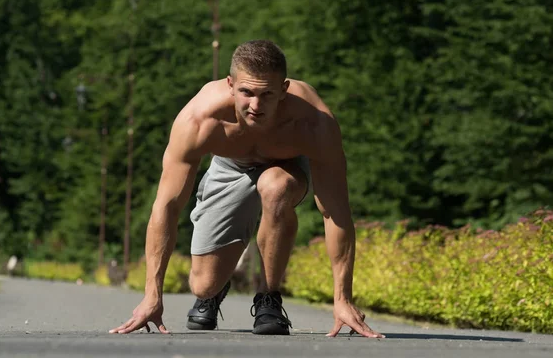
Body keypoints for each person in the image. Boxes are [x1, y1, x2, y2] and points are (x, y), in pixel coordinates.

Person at [109, 40, 384, 338]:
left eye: (267, 94)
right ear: (230, 85)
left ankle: (268, 298)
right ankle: (216, 289)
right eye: (246, 92)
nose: (255, 105)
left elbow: (336, 212)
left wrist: (342, 299)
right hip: (229, 167)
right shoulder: (199, 120)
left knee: (276, 187)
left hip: (285, 168)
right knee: (203, 285)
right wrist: (152, 295)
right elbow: (167, 206)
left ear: (284, 88)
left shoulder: (314, 123)